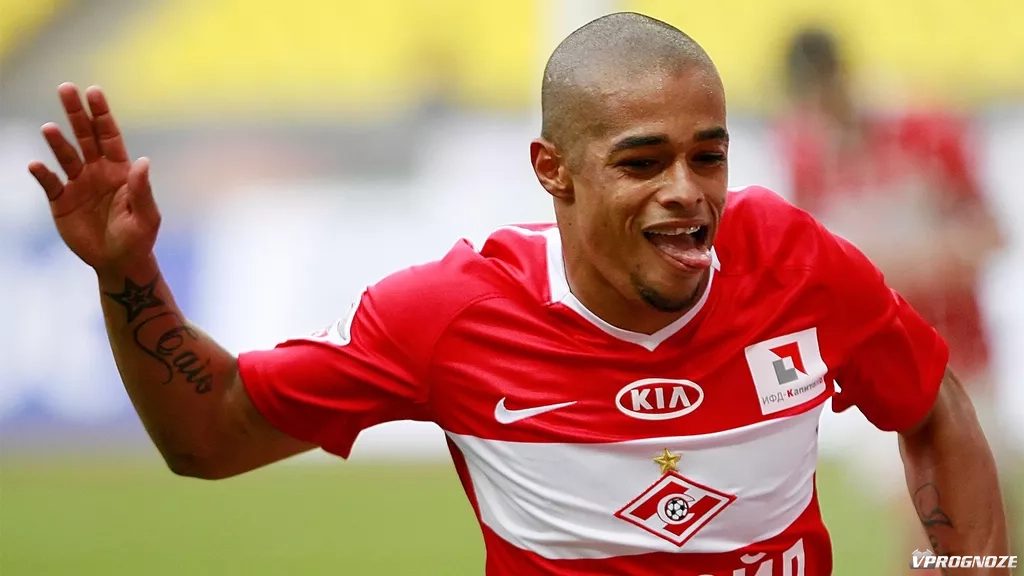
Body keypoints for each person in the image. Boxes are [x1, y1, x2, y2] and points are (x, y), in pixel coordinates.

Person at [28, 13, 1009, 576]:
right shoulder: (446, 315)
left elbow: (932, 404)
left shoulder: (796, 263)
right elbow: (211, 435)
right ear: (553, 170)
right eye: (642, 161)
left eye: (707, 157)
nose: (687, 190)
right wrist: (129, 274)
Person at [775, 27, 1016, 571]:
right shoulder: (807, 154)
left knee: (985, 535)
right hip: (879, 362)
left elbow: (992, 233)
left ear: (842, 78)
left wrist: (922, 261)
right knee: (923, 519)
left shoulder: (924, 132)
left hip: (959, 358)